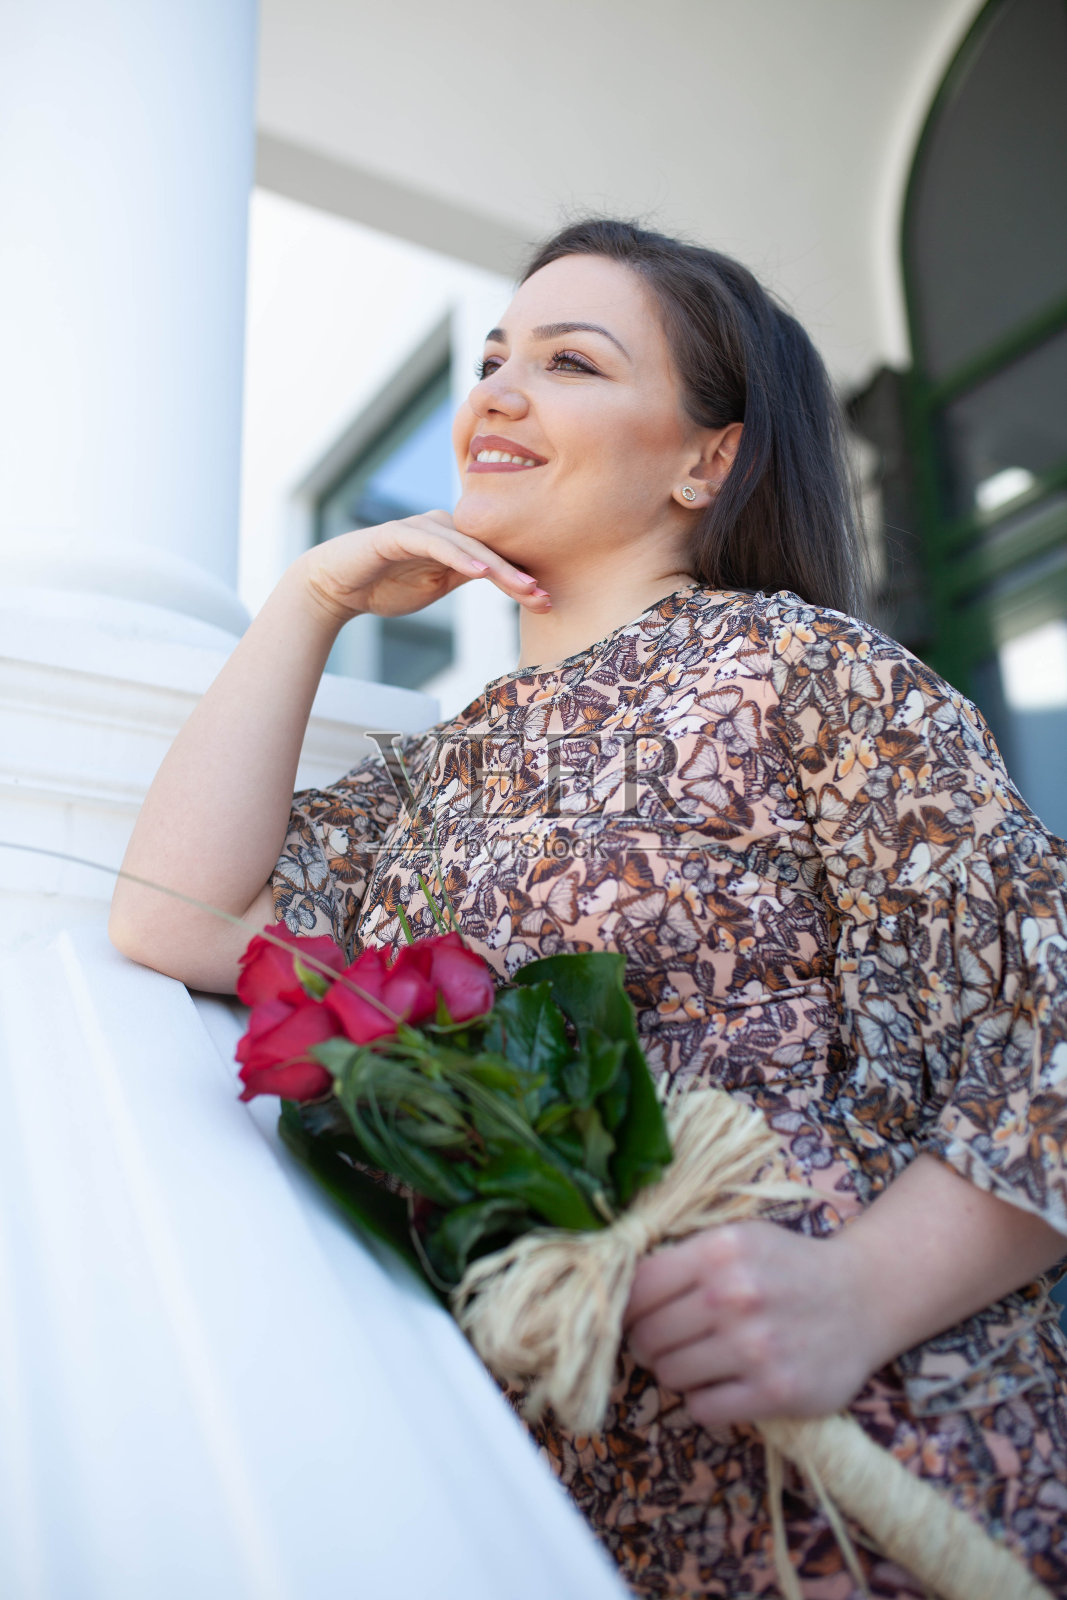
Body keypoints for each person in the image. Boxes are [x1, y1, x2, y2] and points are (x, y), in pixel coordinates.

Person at [110, 219, 1067, 1599]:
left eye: (570, 361)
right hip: (569, 1511)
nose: (495, 388)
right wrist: (309, 601)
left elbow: (1049, 1016)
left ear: (706, 458)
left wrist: (860, 1295)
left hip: (880, 1475)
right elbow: (172, 919)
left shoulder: (796, 669)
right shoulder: (426, 787)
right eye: (493, 354)